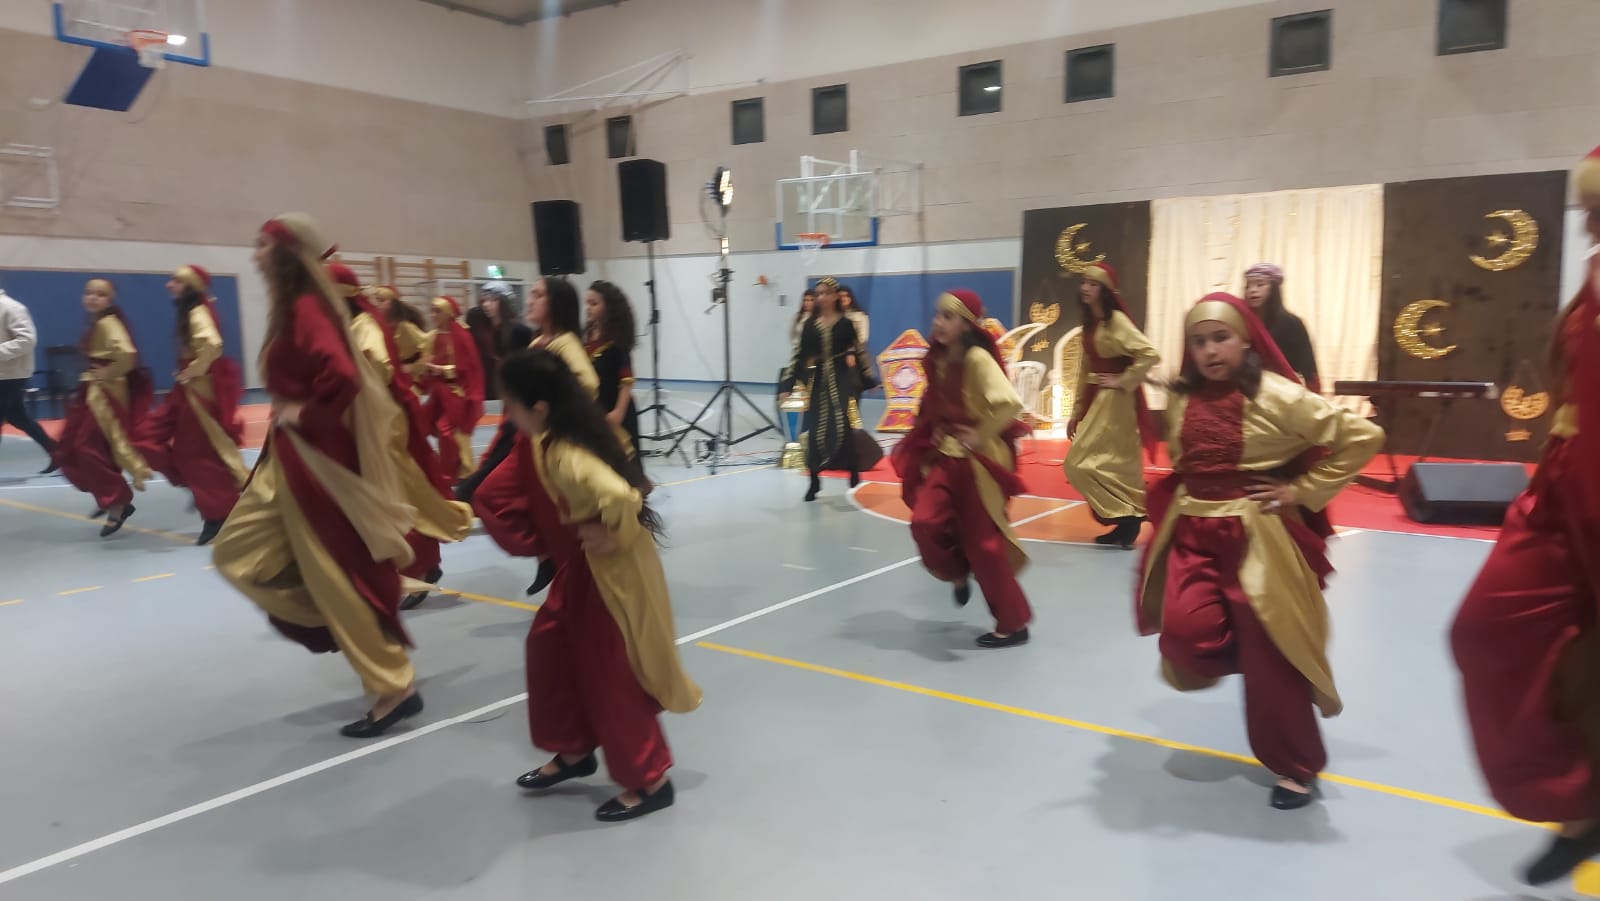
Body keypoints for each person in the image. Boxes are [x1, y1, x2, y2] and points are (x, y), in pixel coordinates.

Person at [1137, 292, 1382, 810]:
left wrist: (1300, 491)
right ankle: (1253, 654)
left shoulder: (1278, 395)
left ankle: (1296, 766)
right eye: (1198, 341)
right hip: (1193, 534)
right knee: (1185, 634)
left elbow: (1362, 436)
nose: (1210, 350)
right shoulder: (1182, 399)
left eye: (1220, 337)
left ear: (1246, 341)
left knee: (1273, 654)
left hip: (1256, 537)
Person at [1450, 146, 1600, 887]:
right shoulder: (1596, 279)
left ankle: (1583, 813)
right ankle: (1579, 796)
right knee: (1485, 626)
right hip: (1564, 495)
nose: (1591, 228)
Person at [211, 213, 420, 739]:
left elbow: (344, 376)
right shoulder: (292, 306)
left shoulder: (306, 306)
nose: (255, 253)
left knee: (335, 573)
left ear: (285, 254)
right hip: (288, 458)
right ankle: (342, 621)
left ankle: (394, 686)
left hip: (313, 461)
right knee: (236, 555)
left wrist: (302, 414)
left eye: (263, 245)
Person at [484, 348, 701, 822]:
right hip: (586, 567)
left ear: (539, 408)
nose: (507, 415)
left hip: (614, 569)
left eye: (512, 406)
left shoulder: (566, 453)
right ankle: (575, 748)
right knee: (551, 644)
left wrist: (612, 531)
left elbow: (622, 495)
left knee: (611, 669)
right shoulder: (551, 438)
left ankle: (651, 780)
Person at [892, 290, 1033, 648]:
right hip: (947, 456)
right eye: (937, 315)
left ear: (967, 324)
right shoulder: (938, 359)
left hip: (978, 463)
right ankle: (957, 571)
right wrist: (936, 428)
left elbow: (1009, 403)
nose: (938, 323)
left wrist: (980, 434)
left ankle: (1013, 624)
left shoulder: (977, 359)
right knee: (924, 522)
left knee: (984, 546)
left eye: (948, 317)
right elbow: (936, 405)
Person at [330, 264, 472, 611]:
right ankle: (405, 567)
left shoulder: (366, 326)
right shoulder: (353, 326)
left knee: (401, 495)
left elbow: (381, 367)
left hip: (385, 424)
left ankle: (421, 565)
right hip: (371, 422)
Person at [466, 276, 598, 597]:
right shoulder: (539, 341)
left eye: (538, 295)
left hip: (544, 446)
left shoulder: (565, 344)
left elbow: (588, 385)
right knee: (489, 496)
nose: (530, 300)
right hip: (523, 444)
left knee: (554, 518)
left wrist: (549, 415)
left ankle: (566, 577)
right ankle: (545, 555)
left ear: (556, 303)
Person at [134, 265, 247, 546]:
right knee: (148, 436)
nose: (169, 285)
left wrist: (194, 371)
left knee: (195, 454)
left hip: (197, 394)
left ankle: (218, 513)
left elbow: (212, 345)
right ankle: (205, 493)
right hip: (185, 391)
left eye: (176, 281)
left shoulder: (197, 312)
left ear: (190, 286)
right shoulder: (192, 312)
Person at [1062, 263, 1161, 549]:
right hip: (1097, 399)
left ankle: (1129, 517)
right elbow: (1084, 371)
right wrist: (1076, 412)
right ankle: (1125, 519)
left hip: (1115, 402)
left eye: (1093, 284)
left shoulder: (1116, 321)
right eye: (1084, 282)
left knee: (1090, 462)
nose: (1085, 288)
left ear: (1105, 290)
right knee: (1097, 463)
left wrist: (1123, 380)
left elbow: (1149, 354)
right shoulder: (1091, 324)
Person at [54, 278, 153, 537]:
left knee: (85, 447)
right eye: (89, 293)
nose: (93, 298)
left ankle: (117, 501)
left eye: (100, 294)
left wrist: (107, 373)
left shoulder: (108, 324)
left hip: (106, 394)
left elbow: (128, 355)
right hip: (96, 390)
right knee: (93, 447)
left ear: (109, 300)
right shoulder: (98, 322)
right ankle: (108, 495)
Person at [779, 277, 863, 502]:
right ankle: (814, 480)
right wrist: (787, 384)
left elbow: (859, 351)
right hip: (818, 381)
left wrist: (867, 379)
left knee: (841, 425)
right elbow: (799, 356)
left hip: (841, 379)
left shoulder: (845, 324)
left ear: (835, 296)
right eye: (818, 294)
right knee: (816, 429)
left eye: (826, 293)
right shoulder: (810, 325)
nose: (821, 297)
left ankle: (852, 466)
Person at [422, 296, 486, 485]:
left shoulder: (462, 336)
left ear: (448, 313)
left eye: (437, 311)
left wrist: (442, 370)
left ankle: (462, 470)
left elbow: (468, 367)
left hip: (458, 392)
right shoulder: (432, 336)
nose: (433, 315)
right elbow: (425, 359)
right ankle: (450, 470)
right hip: (439, 392)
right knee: (438, 429)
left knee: (449, 430)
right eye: (432, 311)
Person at [0, 285, 58, 469]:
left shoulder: (11, 307)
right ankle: (57, 452)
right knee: (18, 417)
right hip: (6, 374)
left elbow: (27, 339)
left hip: (10, 375)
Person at [585, 280, 642, 459]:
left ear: (608, 307)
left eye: (594, 304)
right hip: (596, 407)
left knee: (622, 460)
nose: (588, 308)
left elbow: (626, 381)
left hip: (615, 407)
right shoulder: (587, 335)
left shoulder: (616, 341)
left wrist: (618, 412)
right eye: (587, 303)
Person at [1242, 264, 1320, 394]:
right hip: (1252, 392)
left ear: (1274, 289)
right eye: (1248, 286)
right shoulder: (1243, 324)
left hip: (1285, 392)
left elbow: (1308, 366)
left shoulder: (1292, 323)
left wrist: (1315, 398)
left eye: (1260, 284)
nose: (1252, 290)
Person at [466, 281, 533, 401]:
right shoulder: (478, 328)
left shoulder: (520, 331)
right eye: (484, 300)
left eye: (493, 300)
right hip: (484, 387)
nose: (486, 304)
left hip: (510, 389)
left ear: (504, 302)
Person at [369, 286, 432, 395]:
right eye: (377, 300)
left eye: (381, 300)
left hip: (408, 380)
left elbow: (430, 348)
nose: (377, 304)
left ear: (392, 303)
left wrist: (413, 367)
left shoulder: (404, 327)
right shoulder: (378, 326)